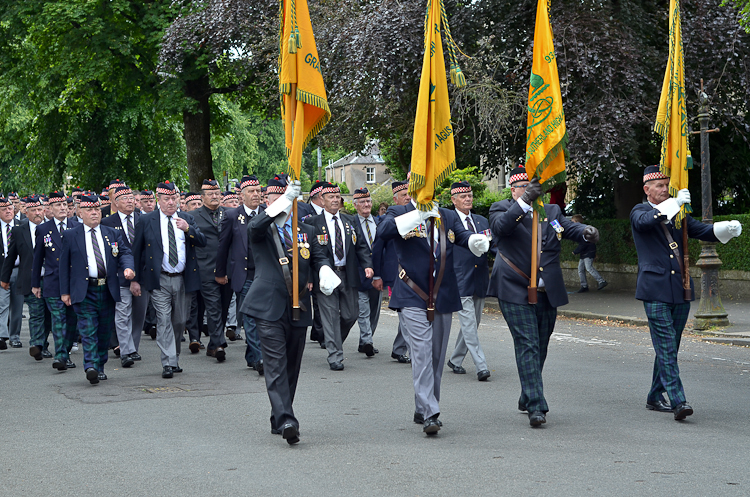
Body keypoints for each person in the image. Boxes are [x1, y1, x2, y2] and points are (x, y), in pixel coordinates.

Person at [631, 165, 742, 420]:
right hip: (655, 289)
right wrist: (674, 204)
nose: (664, 189)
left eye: (666, 185)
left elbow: (701, 231)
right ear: (647, 189)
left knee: (671, 346)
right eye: (659, 186)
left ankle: (654, 395)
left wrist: (726, 228)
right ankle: (678, 401)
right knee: (667, 345)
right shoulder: (640, 211)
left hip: (680, 289)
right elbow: (647, 221)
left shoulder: (677, 213)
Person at [488, 166, 595, 427]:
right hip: (514, 286)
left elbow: (567, 228)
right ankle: (537, 405)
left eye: (532, 188)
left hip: (547, 289)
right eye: (524, 188)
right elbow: (501, 229)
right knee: (528, 343)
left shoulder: (551, 211)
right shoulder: (500, 208)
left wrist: (585, 232)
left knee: (541, 345)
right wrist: (524, 202)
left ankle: (527, 395)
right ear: (513, 190)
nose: (530, 191)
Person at [239, 175, 340, 445]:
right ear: (269, 201)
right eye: (275, 198)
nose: (281, 203)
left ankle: (278, 416)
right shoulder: (260, 227)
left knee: (292, 366)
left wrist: (325, 270)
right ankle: (287, 419)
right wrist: (284, 198)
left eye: (286, 198)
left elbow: (318, 254)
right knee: (275, 364)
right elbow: (256, 226)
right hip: (269, 306)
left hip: (299, 305)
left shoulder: (304, 229)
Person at [378, 193, 490, 435]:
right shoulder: (400, 212)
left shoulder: (447, 215)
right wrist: (418, 215)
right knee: (421, 352)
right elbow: (384, 230)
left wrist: (474, 240)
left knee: (437, 357)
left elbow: (460, 235)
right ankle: (431, 412)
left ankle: (424, 404)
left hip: (443, 293)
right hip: (411, 293)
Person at [129, 181, 206, 379]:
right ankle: (168, 362)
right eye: (167, 199)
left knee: (180, 321)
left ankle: (174, 357)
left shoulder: (186, 218)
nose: (171, 202)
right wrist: (135, 279)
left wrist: (188, 229)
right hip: (159, 279)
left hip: (183, 279)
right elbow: (136, 252)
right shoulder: (147, 221)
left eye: (174, 198)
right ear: (159, 200)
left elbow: (202, 241)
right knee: (163, 320)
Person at [59, 194, 135, 384]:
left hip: (107, 289)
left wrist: (128, 267)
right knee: (88, 330)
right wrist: (65, 291)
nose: (94, 213)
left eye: (96, 210)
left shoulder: (112, 234)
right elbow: (63, 266)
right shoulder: (70, 235)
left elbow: (125, 252)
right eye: (89, 210)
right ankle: (90, 365)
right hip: (84, 290)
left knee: (103, 331)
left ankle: (100, 365)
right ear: (80, 213)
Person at [304, 183, 373, 370]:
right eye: (330, 197)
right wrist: (310, 277)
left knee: (351, 314)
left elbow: (361, 247)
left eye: (337, 197)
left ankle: (334, 339)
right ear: (322, 200)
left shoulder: (350, 221)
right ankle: (335, 355)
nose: (335, 200)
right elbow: (307, 254)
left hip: (347, 274)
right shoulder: (312, 223)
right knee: (330, 315)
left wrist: (367, 265)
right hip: (325, 276)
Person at [216, 174, 265, 374]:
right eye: (251, 192)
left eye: (258, 191)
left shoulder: (268, 213)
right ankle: (260, 357)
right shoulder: (231, 216)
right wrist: (220, 272)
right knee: (251, 317)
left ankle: (252, 355)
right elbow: (223, 246)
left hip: (265, 274)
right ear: (242, 196)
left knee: (262, 318)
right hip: (243, 274)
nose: (256, 195)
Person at [445, 181, 492, 381]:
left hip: (480, 277)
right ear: (453, 200)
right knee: (469, 323)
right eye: (463, 197)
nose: (468, 199)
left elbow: (491, 244)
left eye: (470, 196)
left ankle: (455, 360)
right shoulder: (448, 219)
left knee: (474, 322)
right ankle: (481, 365)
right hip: (460, 278)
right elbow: (456, 241)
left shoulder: (481, 220)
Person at [32, 192, 79, 370]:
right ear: (50, 209)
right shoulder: (43, 229)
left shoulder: (76, 227)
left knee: (72, 320)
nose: (62, 208)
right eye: (58, 206)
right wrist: (36, 283)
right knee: (58, 319)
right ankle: (60, 356)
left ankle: (65, 352)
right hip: (53, 281)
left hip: (73, 282)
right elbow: (37, 258)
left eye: (65, 206)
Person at [101, 185, 147, 367]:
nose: (130, 201)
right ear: (116, 203)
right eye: (125, 198)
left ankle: (132, 347)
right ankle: (126, 351)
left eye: (131, 198)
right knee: (122, 314)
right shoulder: (108, 222)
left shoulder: (144, 219)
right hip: (119, 275)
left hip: (143, 275)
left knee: (138, 315)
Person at [1, 195, 50, 361]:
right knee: (36, 313)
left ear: (44, 211)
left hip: (51, 279)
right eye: (33, 210)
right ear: (26, 213)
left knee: (49, 314)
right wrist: (5, 278)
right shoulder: (18, 230)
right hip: (30, 278)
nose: (37, 213)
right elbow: (11, 255)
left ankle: (44, 344)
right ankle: (36, 344)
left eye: (39, 210)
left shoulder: (52, 228)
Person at [192, 179, 233, 363]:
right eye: (210, 194)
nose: (215, 196)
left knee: (223, 307)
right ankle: (218, 344)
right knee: (214, 307)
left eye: (217, 193)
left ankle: (212, 345)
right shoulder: (193, 216)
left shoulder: (230, 214)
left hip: (227, 268)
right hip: (206, 269)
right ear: (202, 197)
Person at [376, 180, 411, 363]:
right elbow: (377, 248)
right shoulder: (388, 218)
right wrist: (377, 274)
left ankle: (399, 348)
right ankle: (413, 351)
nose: (408, 197)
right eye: (404, 195)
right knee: (405, 314)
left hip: (416, 273)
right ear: (395, 199)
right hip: (396, 274)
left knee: (407, 315)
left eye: (409, 194)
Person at [352, 187, 384, 357]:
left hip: (377, 274)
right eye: (362, 202)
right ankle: (367, 341)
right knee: (363, 310)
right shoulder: (350, 223)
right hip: (359, 275)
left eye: (368, 201)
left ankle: (365, 340)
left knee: (374, 310)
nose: (366, 204)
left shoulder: (379, 222)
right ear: (355, 205)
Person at [0, 196, 23, 349]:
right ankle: (2, 335)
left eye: (10, 208)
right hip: (2, 271)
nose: (8, 211)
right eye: (4, 209)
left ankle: (14, 336)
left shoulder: (22, 226)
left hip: (20, 271)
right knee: (2, 304)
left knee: (18, 305)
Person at [571, 214, 607, 292]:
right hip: (585, 252)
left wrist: (576, 251)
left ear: (576, 222)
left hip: (588, 251)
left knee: (588, 267)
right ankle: (584, 286)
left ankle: (601, 281)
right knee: (580, 269)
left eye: (573, 221)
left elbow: (584, 243)